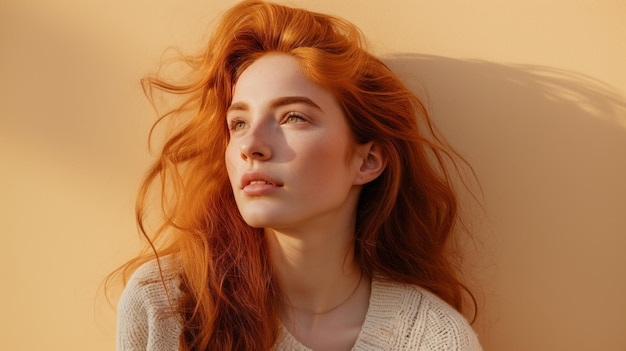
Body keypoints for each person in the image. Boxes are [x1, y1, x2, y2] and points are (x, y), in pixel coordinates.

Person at [113, 0, 483, 350]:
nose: (251, 145)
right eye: (238, 123)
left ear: (367, 161)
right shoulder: (169, 305)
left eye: (293, 117)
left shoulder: (432, 339)